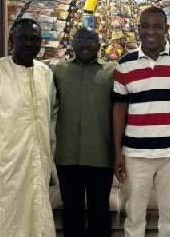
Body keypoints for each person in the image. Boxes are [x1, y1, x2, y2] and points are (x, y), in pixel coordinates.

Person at [112, 6, 170, 237]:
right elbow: (119, 110)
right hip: (135, 153)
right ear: (139, 28)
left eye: (157, 26)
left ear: (166, 30)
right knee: (134, 215)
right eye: (145, 26)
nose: (150, 31)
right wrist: (117, 153)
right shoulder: (125, 64)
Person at [0, 18, 56, 236]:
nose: (29, 44)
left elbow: (48, 118)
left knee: (38, 219)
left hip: (38, 163)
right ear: (11, 41)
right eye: (23, 39)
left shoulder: (45, 73)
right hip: (5, 166)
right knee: (5, 222)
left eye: (35, 39)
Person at [52, 27, 115, 237]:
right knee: (71, 215)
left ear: (99, 44)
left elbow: (119, 114)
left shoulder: (112, 72)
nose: (85, 44)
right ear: (73, 42)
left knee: (100, 215)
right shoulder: (59, 71)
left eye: (91, 40)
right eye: (80, 39)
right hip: (67, 157)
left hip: (101, 157)